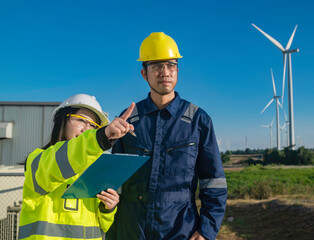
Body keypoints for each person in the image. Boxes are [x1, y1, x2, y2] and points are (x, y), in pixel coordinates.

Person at [106, 32, 227, 240]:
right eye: (157, 67)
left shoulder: (198, 120)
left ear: (177, 70)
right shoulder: (128, 120)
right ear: (144, 74)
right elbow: (113, 183)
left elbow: (213, 183)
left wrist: (206, 231)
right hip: (132, 231)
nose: (165, 73)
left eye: (171, 66)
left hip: (180, 231)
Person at [19, 93, 135, 240]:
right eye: (81, 120)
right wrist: (100, 138)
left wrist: (107, 209)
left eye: (93, 126)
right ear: (62, 120)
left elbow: (102, 226)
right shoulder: (37, 160)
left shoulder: (94, 170)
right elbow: (62, 159)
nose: (87, 129)